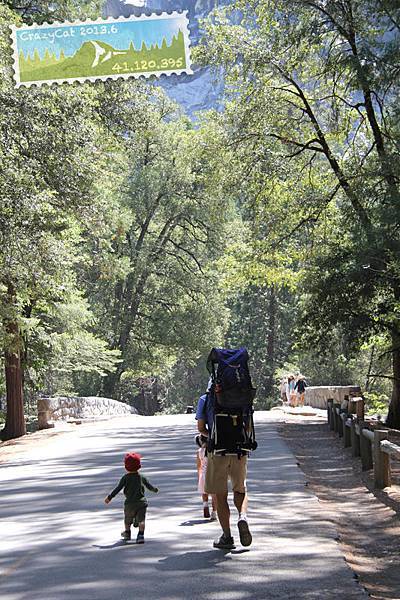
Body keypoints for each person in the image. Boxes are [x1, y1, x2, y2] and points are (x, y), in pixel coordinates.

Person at [196, 388, 253, 550]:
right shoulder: (242, 394)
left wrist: (214, 437)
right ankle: (242, 517)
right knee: (240, 489)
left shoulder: (205, 399)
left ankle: (227, 536)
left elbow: (201, 428)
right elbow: (248, 427)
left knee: (220, 495)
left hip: (217, 451)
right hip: (239, 451)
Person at [104, 452, 158, 543]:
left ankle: (127, 533)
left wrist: (110, 497)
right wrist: (154, 490)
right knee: (142, 520)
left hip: (129, 504)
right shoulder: (141, 477)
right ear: (139, 466)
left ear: (125, 467)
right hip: (141, 503)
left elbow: (118, 488)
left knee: (127, 520)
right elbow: (149, 486)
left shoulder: (125, 478)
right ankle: (140, 535)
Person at [196, 433, 217, 520]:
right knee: (214, 495)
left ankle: (205, 505)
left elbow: (198, 466)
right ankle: (214, 513)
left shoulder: (199, 451)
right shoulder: (212, 451)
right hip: (212, 474)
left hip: (203, 474)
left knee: (204, 492)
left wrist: (199, 475)